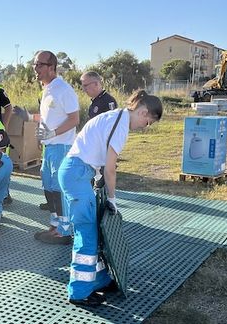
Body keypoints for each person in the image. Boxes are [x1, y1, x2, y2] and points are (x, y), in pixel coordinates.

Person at [60, 89, 162, 307]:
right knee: (86, 233)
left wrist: (98, 181)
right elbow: (111, 169)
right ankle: (79, 292)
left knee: (94, 230)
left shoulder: (115, 117)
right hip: (77, 174)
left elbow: (93, 150)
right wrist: (112, 198)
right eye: (148, 122)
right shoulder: (120, 125)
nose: (146, 127)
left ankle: (99, 280)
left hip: (78, 171)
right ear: (144, 112)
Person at [32, 51, 80, 245]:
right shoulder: (47, 89)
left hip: (61, 146)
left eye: (40, 65)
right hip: (49, 147)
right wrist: (39, 129)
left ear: (52, 67)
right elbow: (48, 118)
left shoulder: (63, 89)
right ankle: (55, 225)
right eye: (34, 64)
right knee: (49, 187)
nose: (36, 68)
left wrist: (53, 134)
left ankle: (65, 231)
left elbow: (74, 119)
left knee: (59, 189)